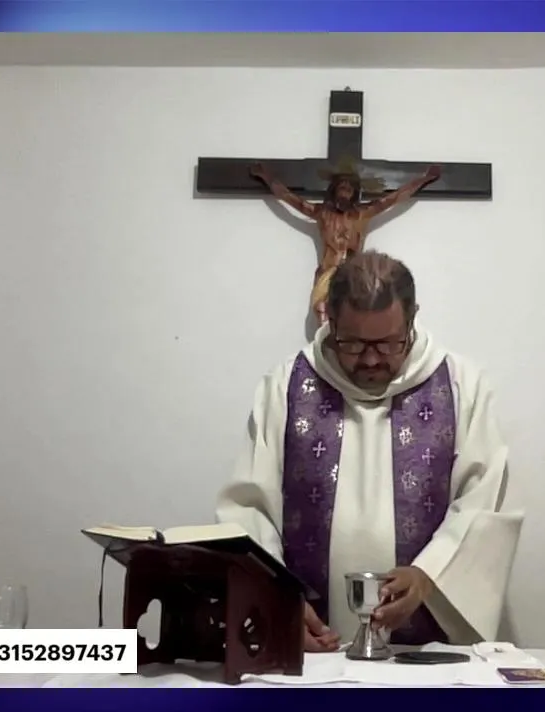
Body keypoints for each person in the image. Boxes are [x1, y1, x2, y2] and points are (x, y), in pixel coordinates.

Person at [215, 251, 522, 652]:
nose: (372, 359)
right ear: (329, 320)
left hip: (426, 654)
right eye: (354, 344)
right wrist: (276, 600)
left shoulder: (462, 385)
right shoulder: (285, 386)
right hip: (310, 651)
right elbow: (250, 510)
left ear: (412, 319)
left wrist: (429, 575)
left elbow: (484, 502)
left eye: (389, 343)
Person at [249, 162, 441, 325]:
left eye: (349, 189)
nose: (345, 191)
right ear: (333, 190)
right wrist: (266, 176)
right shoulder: (322, 213)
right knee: (323, 314)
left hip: (353, 274)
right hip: (328, 272)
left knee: (356, 318)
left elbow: (395, 197)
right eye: (341, 187)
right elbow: (288, 197)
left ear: (354, 193)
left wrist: (423, 179)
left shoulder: (362, 214)